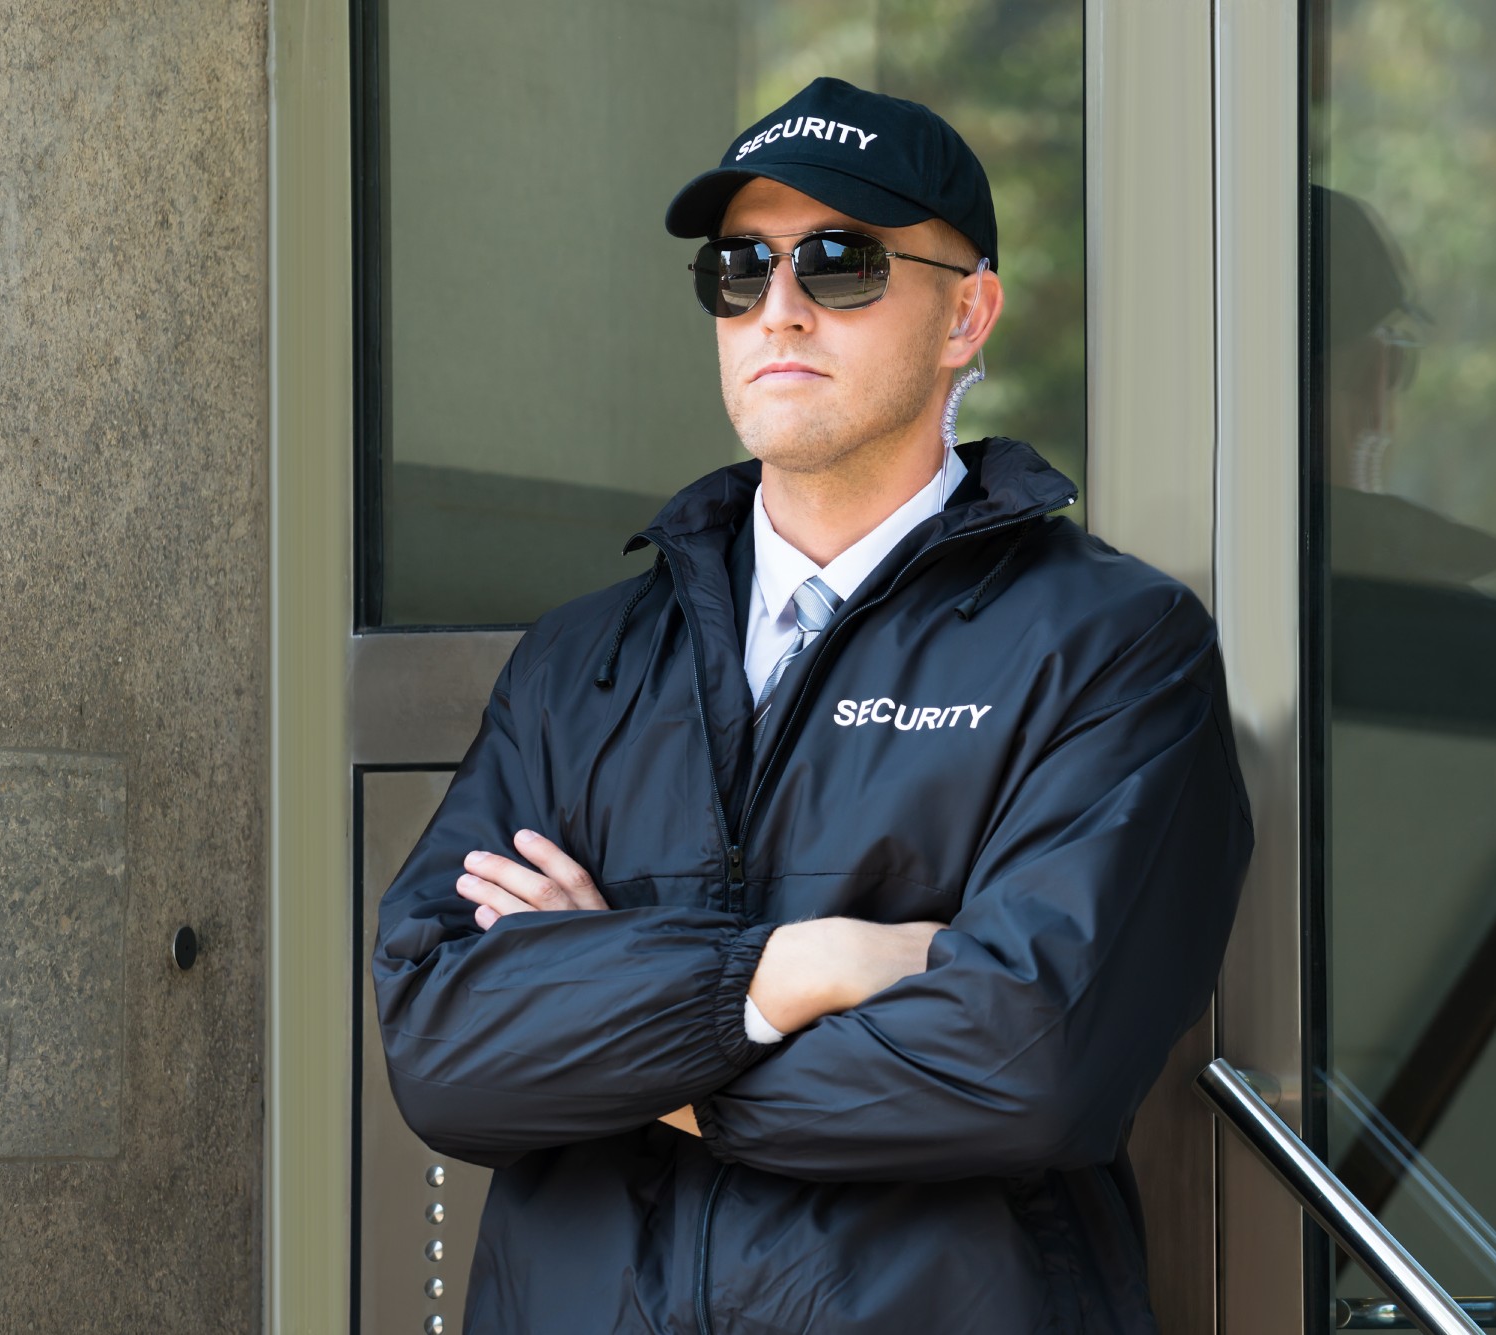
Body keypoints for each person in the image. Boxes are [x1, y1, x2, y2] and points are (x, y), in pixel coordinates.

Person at [373, 76, 1254, 1335]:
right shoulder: (582, 662)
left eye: (838, 263)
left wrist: (628, 1047)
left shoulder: (1109, 647)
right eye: (738, 270)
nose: (775, 308)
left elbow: (1028, 1069)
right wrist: (799, 970)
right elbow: (444, 1052)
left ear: (966, 314)